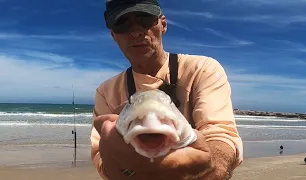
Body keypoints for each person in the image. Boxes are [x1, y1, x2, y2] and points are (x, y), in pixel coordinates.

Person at [90, 0, 244, 179]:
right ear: (113, 35)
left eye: (144, 19)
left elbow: (221, 134)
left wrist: (211, 168)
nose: (135, 32)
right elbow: (101, 157)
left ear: (163, 24)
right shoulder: (106, 91)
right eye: (122, 24)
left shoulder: (202, 69)